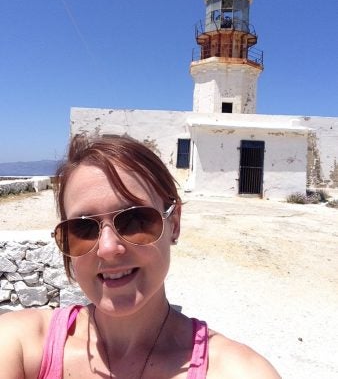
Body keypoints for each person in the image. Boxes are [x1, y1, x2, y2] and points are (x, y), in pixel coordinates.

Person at [0, 135, 281, 378]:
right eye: (83, 227)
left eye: (135, 220)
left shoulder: (237, 371)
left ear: (175, 223)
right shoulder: (19, 345)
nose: (108, 248)